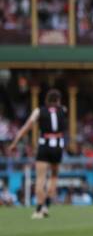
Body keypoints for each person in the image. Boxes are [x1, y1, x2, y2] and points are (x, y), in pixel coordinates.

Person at [8, 89, 67, 219]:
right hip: (58, 146)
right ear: (58, 100)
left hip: (44, 144)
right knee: (54, 177)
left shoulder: (39, 111)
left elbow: (26, 127)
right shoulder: (63, 110)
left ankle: (39, 209)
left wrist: (15, 142)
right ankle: (47, 205)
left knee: (41, 178)